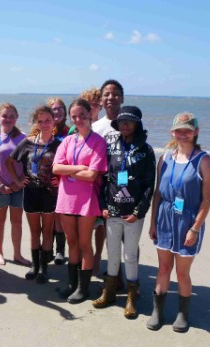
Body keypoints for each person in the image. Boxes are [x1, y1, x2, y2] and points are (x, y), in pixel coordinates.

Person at [147, 112, 210, 332]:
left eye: (187, 130)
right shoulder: (165, 158)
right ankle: (157, 312)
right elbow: (158, 193)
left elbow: (207, 199)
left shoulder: (204, 161)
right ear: (172, 132)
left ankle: (183, 314)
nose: (183, 134)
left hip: (188, 221)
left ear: (196, 132)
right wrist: (153, 222)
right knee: (164, 267)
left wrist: (195, 228)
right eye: (179, 130)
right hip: (165, 217)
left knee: (182, 272)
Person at [95, 106, 156, 319]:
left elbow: (149, 185)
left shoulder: (146, 150)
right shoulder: (110, 146)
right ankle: (109, 292)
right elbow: (103, 178)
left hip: (133, 213)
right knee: (111, 253)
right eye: (122, 121)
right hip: (111, 211)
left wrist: (139, 211)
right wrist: (102, 205)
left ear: (137, 123)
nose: (125, 125)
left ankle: (131, 297)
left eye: (129, 121)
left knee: (130, 255)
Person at [52, 99, 107, 303]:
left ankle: (83, 288)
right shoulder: (67, 141)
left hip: (87, 200)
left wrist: (71, 169)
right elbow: (56, 168)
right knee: (71, 242)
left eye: (82, 115)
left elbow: (93, 175)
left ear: (90, 115)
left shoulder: (98, 142)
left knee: (84, 243)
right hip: (66, 199)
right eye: (74, 116)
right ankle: (72, 284)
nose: (78, 120)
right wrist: (77, 169)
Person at [6, 105, 60, 283]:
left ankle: (44, 268)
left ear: (53, 122)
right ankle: (34, 266)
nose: (44, 124)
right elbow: (10, 162)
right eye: (40, 121)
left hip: (50, 194)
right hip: (30, 193)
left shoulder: (59, 144)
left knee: (47, 231)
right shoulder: (27, 143)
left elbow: (66, 166)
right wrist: (18, 181)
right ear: (36, 123)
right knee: (34, 231)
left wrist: (60, 181)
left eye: (48, 121)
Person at [0, 103, 30, 267]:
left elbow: (29, 165)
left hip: (18, 187)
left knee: (17, 221)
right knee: (0, 221)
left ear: (16, 118)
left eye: (11, 116)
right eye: (5, 116)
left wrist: (18, 183)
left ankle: (17, 254)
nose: (8, 119)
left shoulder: (23, 137)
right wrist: (0, 185)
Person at [92, 79, 126, 280]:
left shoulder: (130, 122)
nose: (111, 98)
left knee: (126, 235)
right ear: (101, 100)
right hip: (101, 186)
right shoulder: (97, 127)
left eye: (115, 94)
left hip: (124, 187)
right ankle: (101, 267)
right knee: (102, 229)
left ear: (121, 98)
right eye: (106, 94)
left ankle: (130, 278)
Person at [46, 97, 69, 265]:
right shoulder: (42, 130)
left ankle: (60, 250)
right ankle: (47, 250)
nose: (57, 112)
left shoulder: (70, 131)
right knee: (47, 216)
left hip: (64, 179)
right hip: (44, 179)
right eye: (54, 109)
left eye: (60, 109)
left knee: (59, 216)